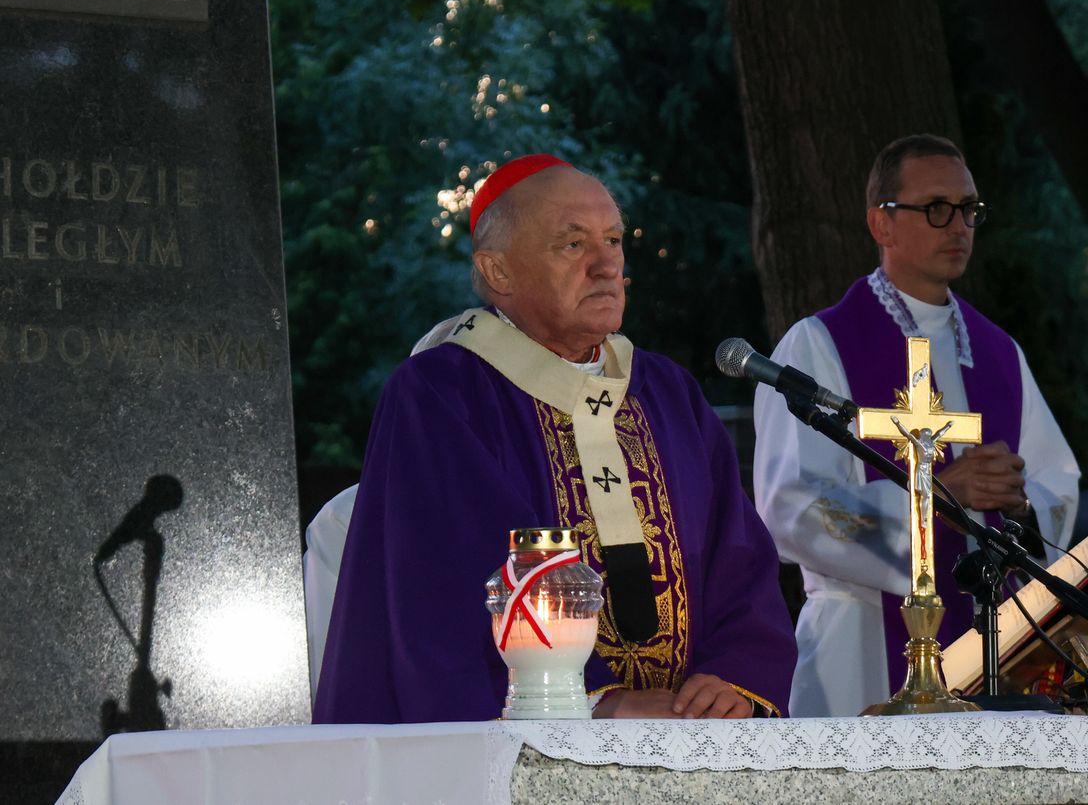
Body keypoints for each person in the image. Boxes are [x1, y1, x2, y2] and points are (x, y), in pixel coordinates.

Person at [313, 154, 797, 723]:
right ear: (499, 273)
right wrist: (598, 701)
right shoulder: (442, 393)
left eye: (614, 240)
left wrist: (733, 676)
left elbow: (738, 556)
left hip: (695, 736)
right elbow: (447, 576)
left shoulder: (667, 393)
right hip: (526, 744)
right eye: (572, 245)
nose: (605, 265)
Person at [753, 134, 1079, 717]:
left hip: (987, 646)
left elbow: (1056, 486)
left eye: (969, 209)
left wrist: (1021, 503)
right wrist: (941, 496)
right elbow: (793, 505)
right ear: (882, 223)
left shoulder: (1000, 353)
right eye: (936, 208)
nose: (958, 226)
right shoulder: (818, 345)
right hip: (859, 645)